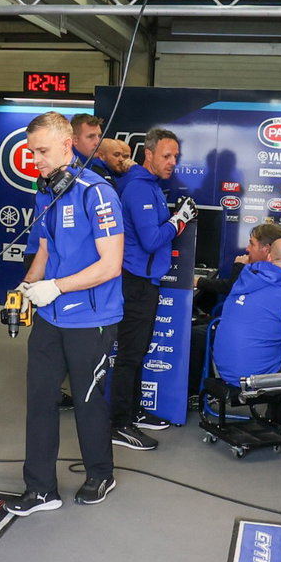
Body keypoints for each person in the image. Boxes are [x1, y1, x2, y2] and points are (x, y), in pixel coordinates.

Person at [7, 112, 125, 515]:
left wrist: (56, 286)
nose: (35, 159)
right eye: (30, 151)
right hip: (50, 317)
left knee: (88, 400)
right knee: (39, 399)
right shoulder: (46, 192)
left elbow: (111, 264)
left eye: (41, 151)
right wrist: (26, 288)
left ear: (66, 144)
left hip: (91, 319)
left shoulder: (97, 192)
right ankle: (40, 488)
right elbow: (43, 251)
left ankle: (100, 473)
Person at [109, 126, 194, 451]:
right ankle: (120, 424)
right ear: (149, 154)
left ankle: (132, 412)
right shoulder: (140, 189)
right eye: (166, 156)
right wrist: (179, 220)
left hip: (144, 282)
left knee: (137, 352)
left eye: (175, 156)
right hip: (135, 282)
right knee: (130, 355)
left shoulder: (151, 187)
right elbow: (151, 240)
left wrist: (174, 218)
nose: (172, 162)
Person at [212, 238, 281, 388]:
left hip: (223, 369)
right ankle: (277, 411)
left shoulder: (244, 275)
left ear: (269, 257)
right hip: (255, 376)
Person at [197, 221, 281, 305]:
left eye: (252, 244)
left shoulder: (270, 278)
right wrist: (199, 282)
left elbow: (233, 288)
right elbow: (229, 285)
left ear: (266, 249)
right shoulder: (269, 271)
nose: (247, 249)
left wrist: (239, 267)